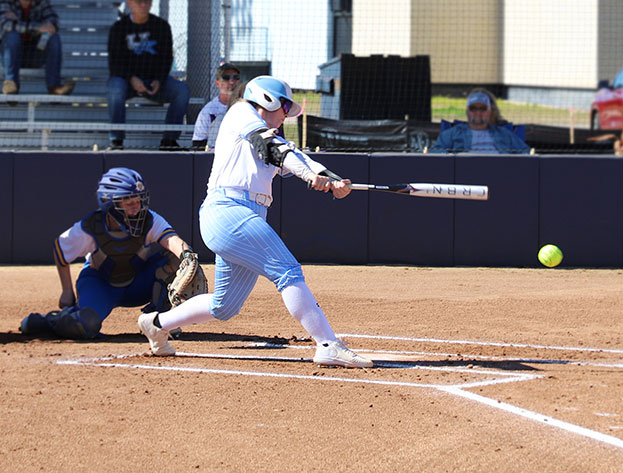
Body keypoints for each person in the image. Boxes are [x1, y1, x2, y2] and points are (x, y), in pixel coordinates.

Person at [137, 75, 373, 369]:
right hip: (227, 210)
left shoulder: (266, 134)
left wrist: (333, 180)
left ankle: (156, 323)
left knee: (224, 306)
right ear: (266, 99)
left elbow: (293, 155)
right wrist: (310, 177)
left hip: (244, 216)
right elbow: (273, 148)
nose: (286, 115)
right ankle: (328, 344)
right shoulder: (241, 114)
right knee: (287, 270)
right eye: (285, 107)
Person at [19, 167, 195, 340]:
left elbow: (171, 239)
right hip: (100, 283)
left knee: (175, 258)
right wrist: (66, 291)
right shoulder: (91, 226)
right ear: (110, 204)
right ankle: (49, 321)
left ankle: (158, 321)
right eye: (129, 203)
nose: (137, 207)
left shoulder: (150, 219)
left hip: (137, 282)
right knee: (85, 325)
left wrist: (187, 255)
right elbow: (60, 248)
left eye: (139, 201)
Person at [106, 0, 190, 151]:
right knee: (114, 86)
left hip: (155, 82)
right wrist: (132, 79)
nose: (143, 5)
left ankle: (169, 141)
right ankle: (116, 140)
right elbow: (115, 63)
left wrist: (159, 79)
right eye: (139, 2)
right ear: (130, 3)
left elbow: (166, 58)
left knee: (181, 90)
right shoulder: (119, 28)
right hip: (127, 82)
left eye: (147, 2)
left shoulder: (161, 26)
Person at [0, 0, 75, 95]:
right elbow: (6, 25)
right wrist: (38, 27)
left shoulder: (41, 2)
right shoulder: (5, 2)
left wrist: (18, 22)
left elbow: (53, 20)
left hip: (34, 54)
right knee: (12, 36)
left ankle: (55, 87)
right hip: (9, 56)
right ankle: (10, 84)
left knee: (54, 37)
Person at [431, 88, 530, 154]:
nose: (478, 112)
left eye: (482, 108)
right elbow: (434, 154)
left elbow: (526, 153)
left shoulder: (504, 134)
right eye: (473, 108)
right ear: (467, 111)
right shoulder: (453, 134)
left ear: (490, 111)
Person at [191, 62, 241, 151]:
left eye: (235, 78)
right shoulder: (209, 110)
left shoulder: (247, 107)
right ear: (217, 83)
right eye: (226, 78)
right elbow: (198, 142)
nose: (231, 81)